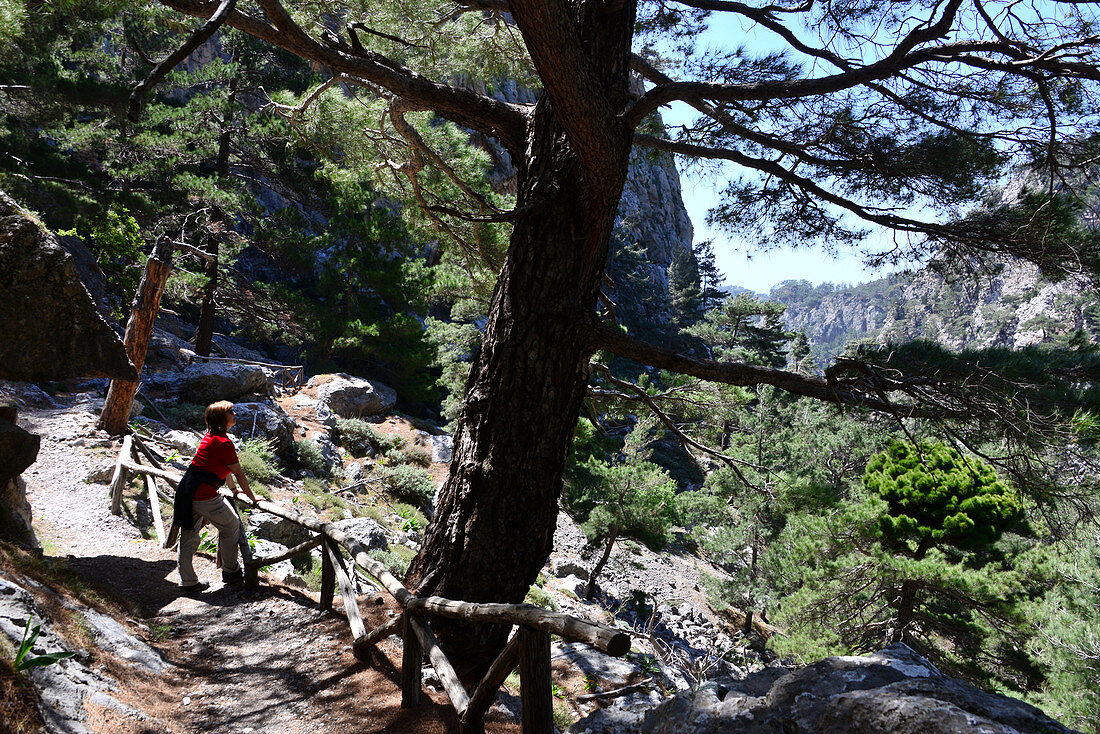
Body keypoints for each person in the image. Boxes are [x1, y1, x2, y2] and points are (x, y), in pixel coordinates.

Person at [169, 400, 257, 593]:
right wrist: (253, 498)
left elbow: (224, 469)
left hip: (187, 490)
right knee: (231, 525)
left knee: (188, 536)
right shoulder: (224, 443)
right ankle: (231, 572)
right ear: (220, 418)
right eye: (230, 412)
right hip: (204, 494)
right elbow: (238, 473)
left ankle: (188, 582)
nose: (234, 414)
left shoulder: (210, 437)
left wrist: (233, 490)